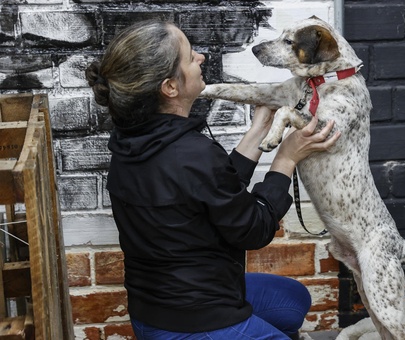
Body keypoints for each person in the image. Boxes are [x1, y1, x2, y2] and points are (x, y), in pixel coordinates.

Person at [85, 19, 340, 340]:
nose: (201, 58)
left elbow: (213, 188)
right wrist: (287, 157)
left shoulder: (130, 141)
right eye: (190, 56)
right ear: (170, 87)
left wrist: (259, 128)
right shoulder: (193, 153)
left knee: (292, 300)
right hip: (197, 321)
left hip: (154, 309)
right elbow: (255, 228)